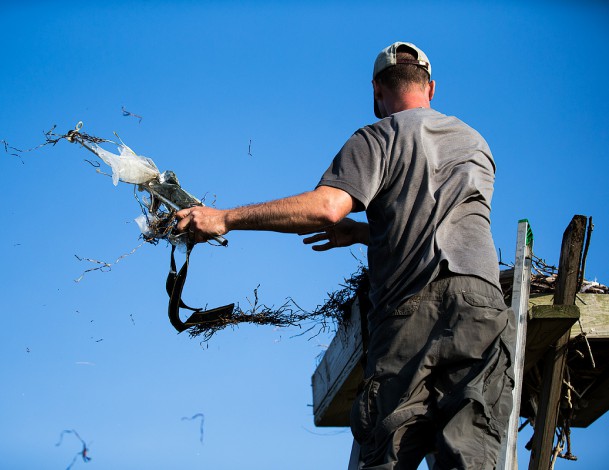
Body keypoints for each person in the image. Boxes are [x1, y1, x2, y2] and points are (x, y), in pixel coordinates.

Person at [176, 41, 514, 470]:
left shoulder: (377, 137)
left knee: (388, 451)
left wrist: (224, 218)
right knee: (473, 455)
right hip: (482, 305)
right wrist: (363, 233)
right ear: (431, 88)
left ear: (376, 90)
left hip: (411, 309)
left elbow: (325, 208)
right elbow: (441, 222)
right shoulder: (474, 142)